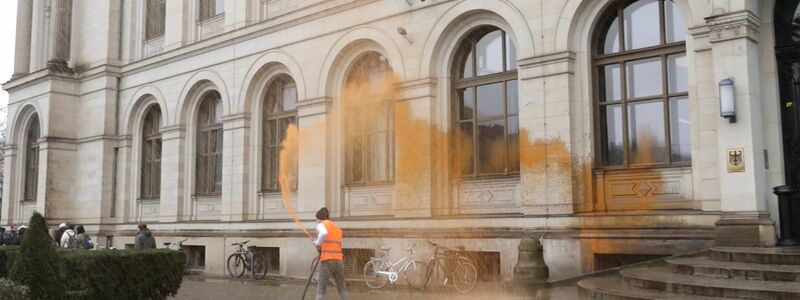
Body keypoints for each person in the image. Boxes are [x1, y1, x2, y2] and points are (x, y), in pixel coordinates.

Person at [314, 207, 348, 300]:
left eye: (317, 219)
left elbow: (324, 233)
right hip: (339, 260)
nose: (316, 222)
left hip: (326, 260)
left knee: (321, 289)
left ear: (320, 218)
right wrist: (319, 244)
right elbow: (333, 243)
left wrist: (317, 243)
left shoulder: (321, 224)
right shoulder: (337, 228)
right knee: (341, 288)